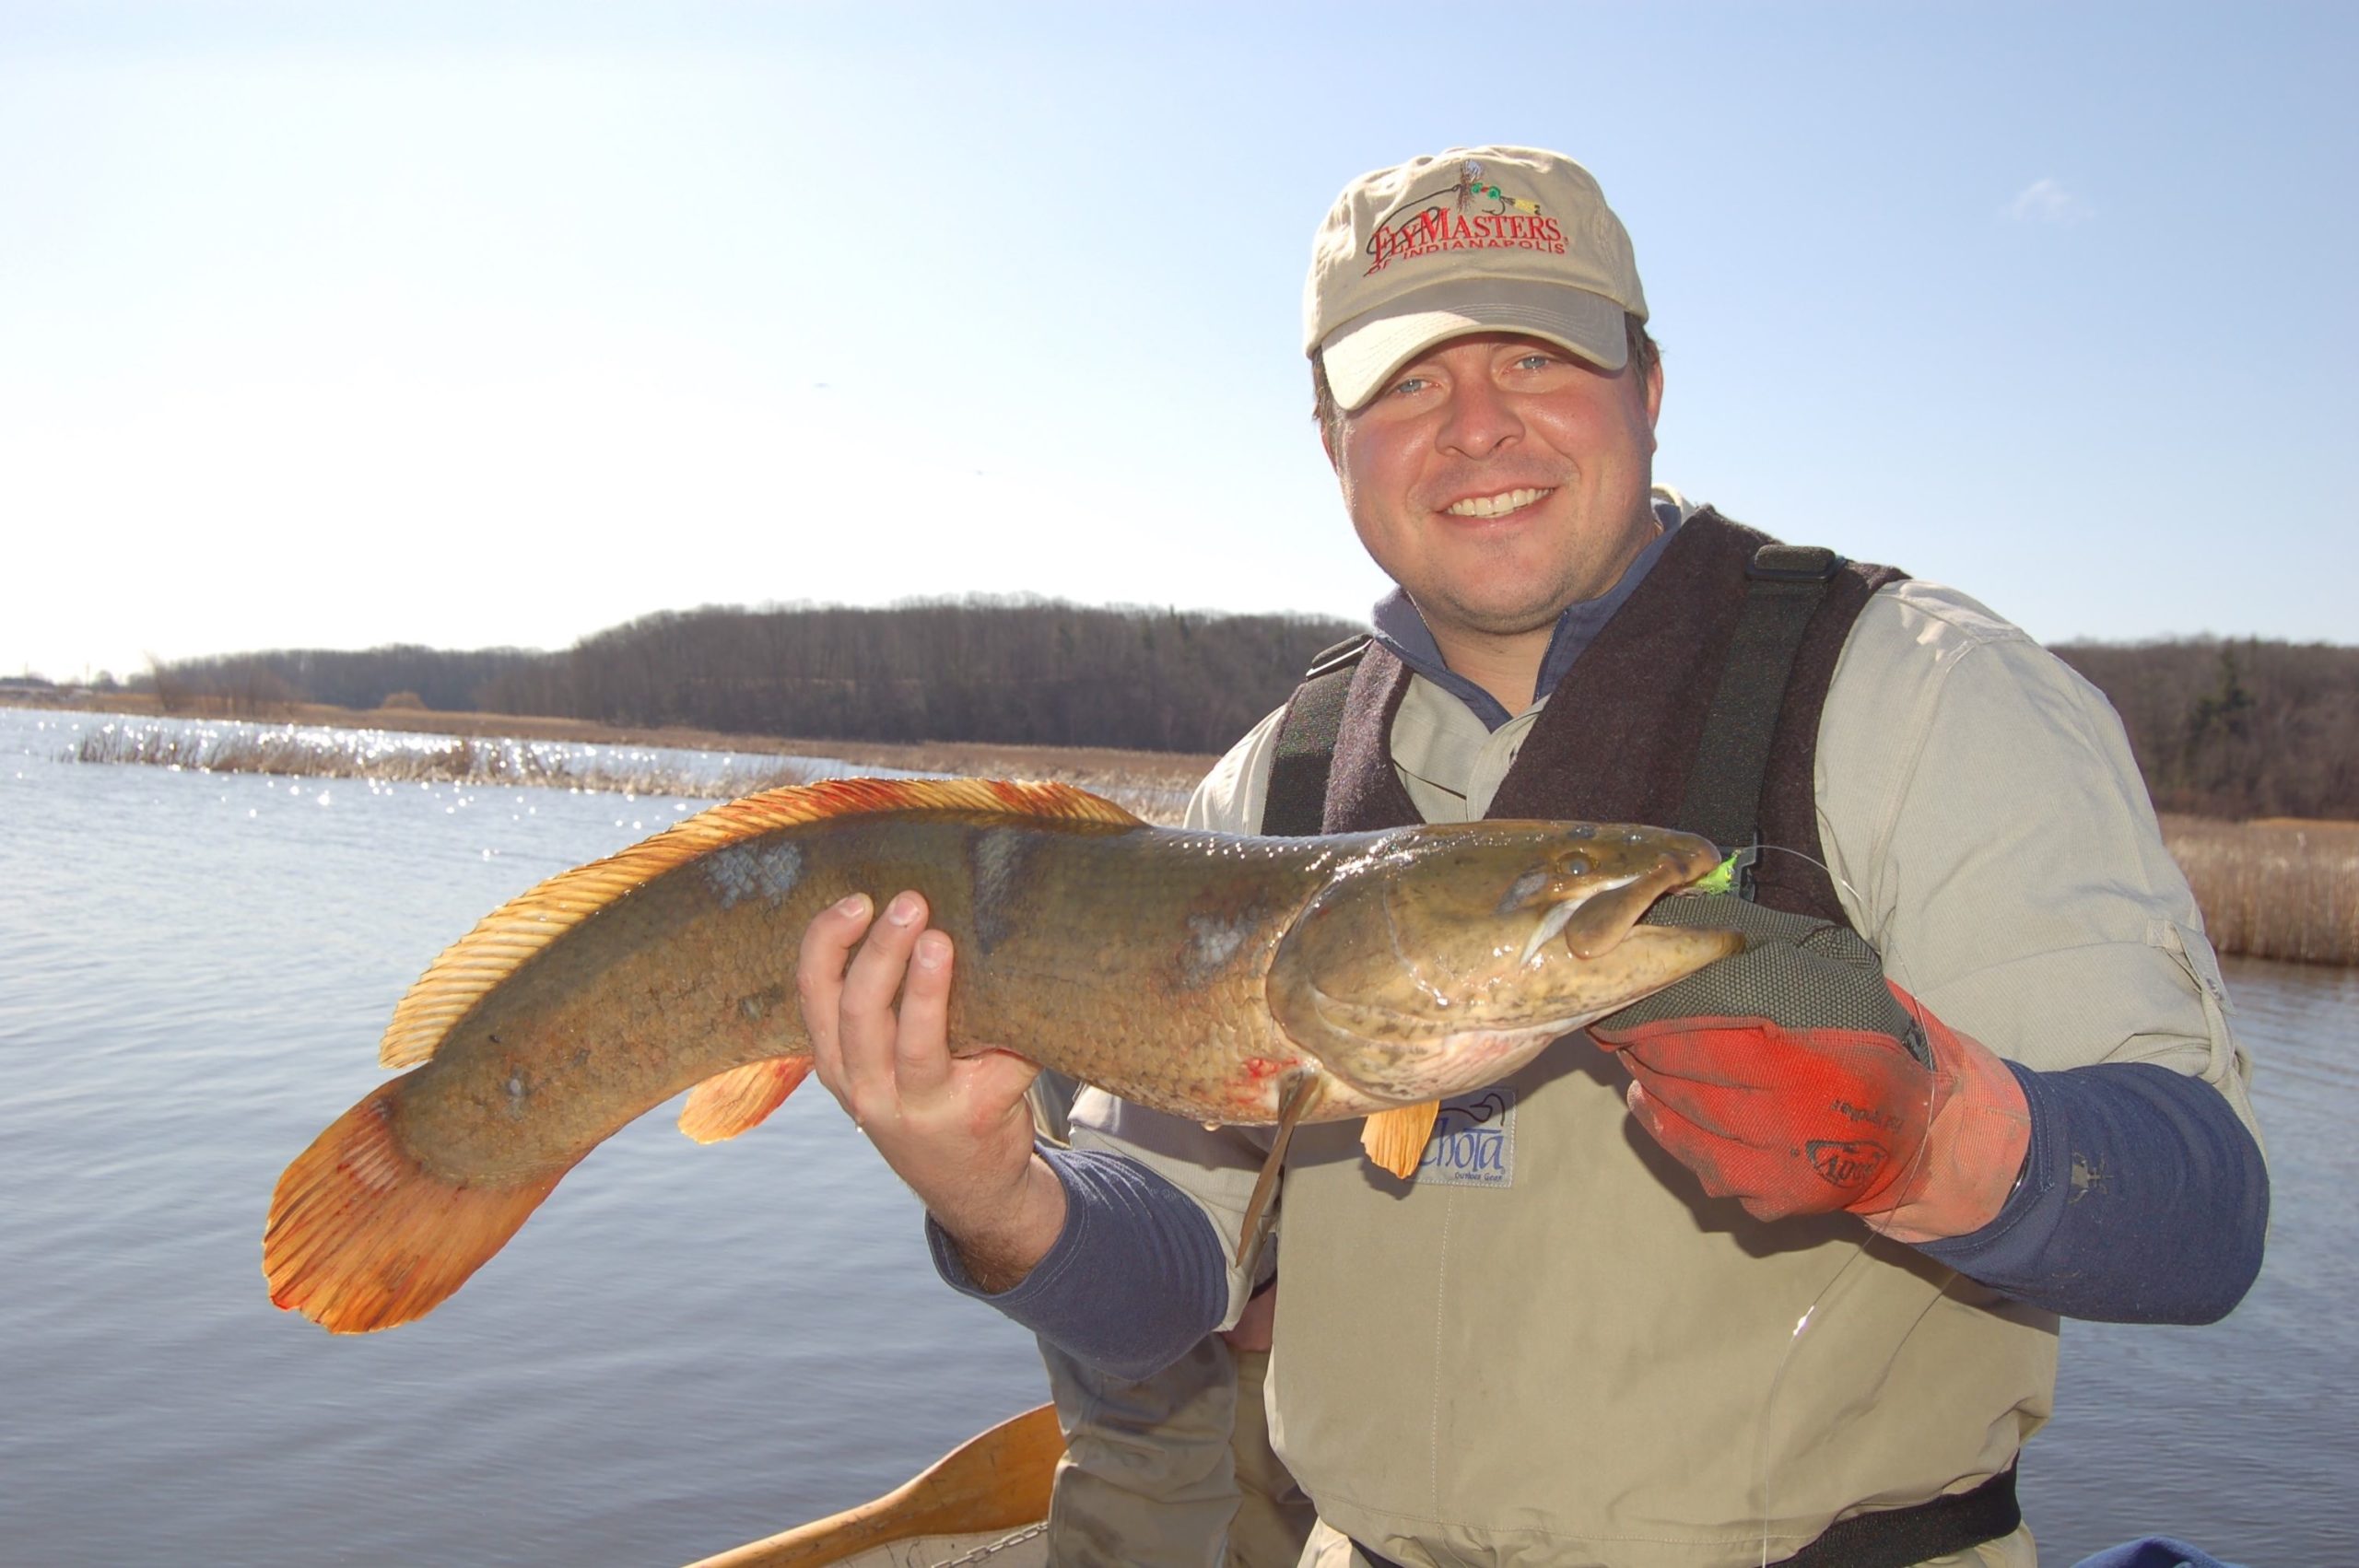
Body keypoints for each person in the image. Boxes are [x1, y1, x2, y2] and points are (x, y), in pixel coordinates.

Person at [796, 146, 2270, 1568]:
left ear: (1649, 388)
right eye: (1407, 383)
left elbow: (2209, 1215)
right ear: (1333, 444)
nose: (1478, 426)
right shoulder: (1271, 785)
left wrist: (1942, 1139)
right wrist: (994, 1196)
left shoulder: (1925, 693)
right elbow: (1169, 1290)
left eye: (1536, 357)